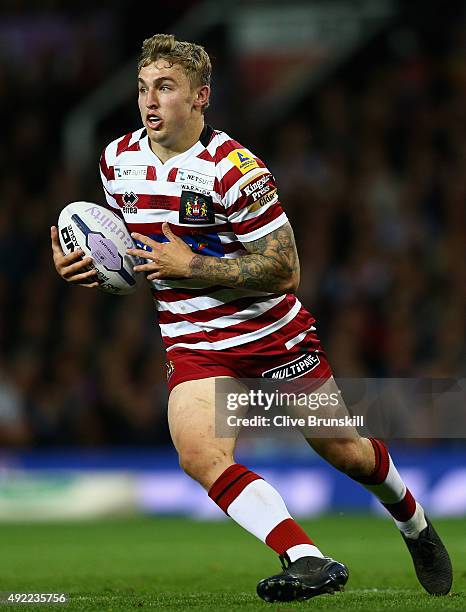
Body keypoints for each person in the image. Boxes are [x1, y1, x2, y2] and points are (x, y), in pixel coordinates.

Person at [51, 34, 452, 602]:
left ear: (200, 97)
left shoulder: (235, 169)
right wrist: (86, 262)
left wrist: (195, 263)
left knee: (346, 451)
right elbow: (128, 250)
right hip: (194, 341)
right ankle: (306, 557)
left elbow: (286, 271)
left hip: (273, 337)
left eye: (165, 88)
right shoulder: (117, 161)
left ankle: (413, 521)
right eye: (143, 88)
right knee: (198, 454)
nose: (150, 101)